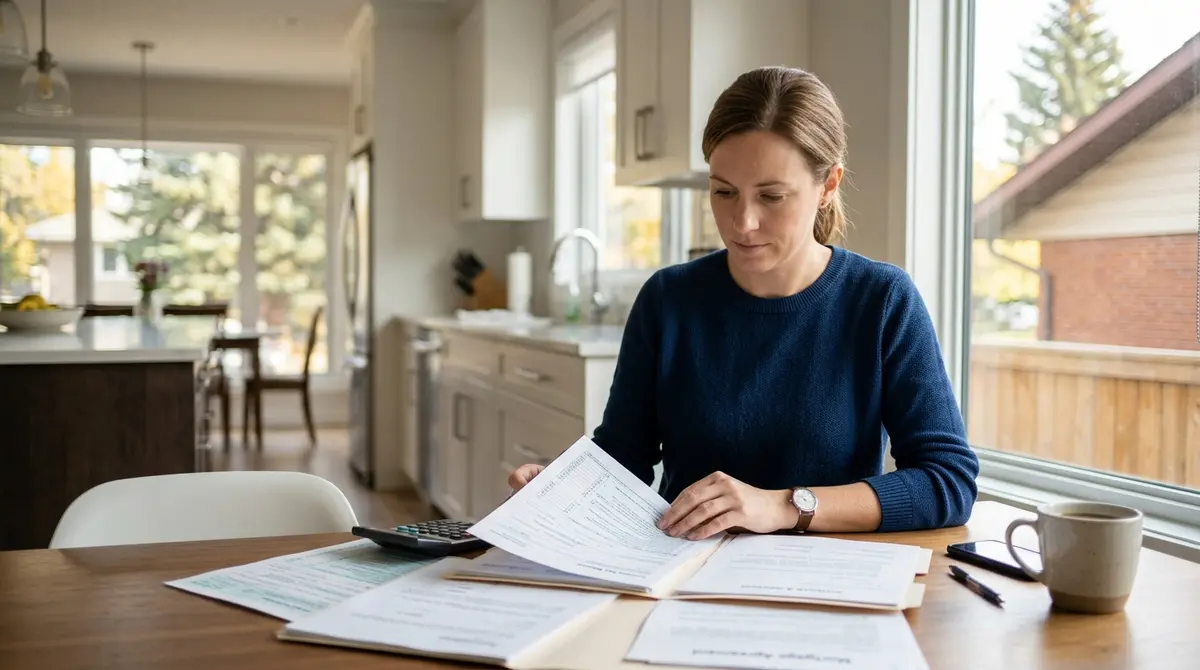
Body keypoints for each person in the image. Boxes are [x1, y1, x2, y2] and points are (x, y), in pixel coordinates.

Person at [508, 66, 979, 540]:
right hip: (680, 572)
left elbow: (948, 482)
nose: (742, 222)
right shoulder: (668, 300)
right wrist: (558, 488)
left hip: (829, 581)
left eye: (772, 196)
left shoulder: (881, 301)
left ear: (828, 185)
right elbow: (621, 460)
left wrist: (784, 506)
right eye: (723, 192)